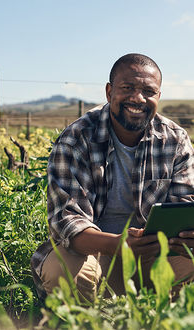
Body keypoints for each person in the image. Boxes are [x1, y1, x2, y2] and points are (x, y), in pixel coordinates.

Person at [31, 53, 194, 301]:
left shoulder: (175, 139)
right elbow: (66, 222)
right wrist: (117, 245)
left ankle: (161, 313)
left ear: (158, 97)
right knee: (60, 272)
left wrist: (186, 235)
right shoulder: (76, 139)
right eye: (127, 88)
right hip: (96, 256)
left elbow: (184, 207)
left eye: (148, 91)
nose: (138, 98)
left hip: (155, 258)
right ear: (109, 92)